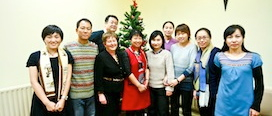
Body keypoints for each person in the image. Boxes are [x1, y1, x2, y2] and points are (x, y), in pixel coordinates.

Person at [214, 25, 264, 116]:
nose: (234, 40)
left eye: (237, 36)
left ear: (243, 38)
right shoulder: (219, 57)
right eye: (230, 37)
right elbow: (216, 79)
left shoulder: (254, 58)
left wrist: (256, 105)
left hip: (245, 104)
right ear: (225, 40)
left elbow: (259, 84)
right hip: (223, 104)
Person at [26, 25, 73, 116]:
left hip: (62, 99)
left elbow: (68, 79)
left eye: (56, 37)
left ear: (61, 39)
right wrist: (47, 103)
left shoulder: (66, 55)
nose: (53, 40)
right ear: (44, 39)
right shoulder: (35, 56)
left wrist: (63, 99)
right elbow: (34, 82)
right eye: (49, 37)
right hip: (42, 100)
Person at [64, 18, 98, 116]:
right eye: (82, 28)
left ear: (91, 31)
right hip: (76, 94)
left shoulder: (94, 47)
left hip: (91, 93)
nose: (85, 31)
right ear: (76, 30)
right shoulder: (68, 47)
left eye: (88, 28)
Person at [94, 32, 131, 116]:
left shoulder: (120, 55)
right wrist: (100, 94)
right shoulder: (101, 57)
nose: (112, 43)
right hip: (107, 92)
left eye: (114, 41)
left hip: (118, 91)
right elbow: (98, 77)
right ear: (104, 44)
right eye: (109, 41)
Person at [170, 24, 197, 116]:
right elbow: (170, 64)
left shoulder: (193, 47)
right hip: (173, 81)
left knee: (186, 108)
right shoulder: (173, 47)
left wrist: (178, 80)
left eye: (183, 33)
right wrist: (172, 79)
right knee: (174, 107)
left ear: (188, 34)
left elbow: (191, 67)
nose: (180, 36)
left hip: (186, 82)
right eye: (178, 34)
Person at [121, 29, 151, 116]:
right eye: (135, 38)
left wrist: (146, 82)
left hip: (143, 86)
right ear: (130, 40)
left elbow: (147, 67)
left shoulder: (143, 52)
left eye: (139, 38)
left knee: (141, 111)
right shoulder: (126, 53)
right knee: (131, 112)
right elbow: (128, 72)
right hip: (132, 87)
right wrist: (139, 85)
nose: (138, 40)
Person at [146, 30, 175, 116]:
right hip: (150, 88)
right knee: (151, 111)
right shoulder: (147, 54)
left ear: (162, 41)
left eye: (158, 40)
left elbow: (170, 71)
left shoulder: (167, 54)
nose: (155, 42)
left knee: (162, 112)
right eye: (153, 40)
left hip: (162, 88)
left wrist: (170, 88)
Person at [193, 28, 220, 116]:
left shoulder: (216, 53)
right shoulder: (197, 54)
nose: (201, 40)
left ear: (210, 38)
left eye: (204, 37)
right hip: (200, 90)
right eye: (199, 38)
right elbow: (196, 74)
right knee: (203, 113)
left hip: (213, 91)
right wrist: (196, 89)